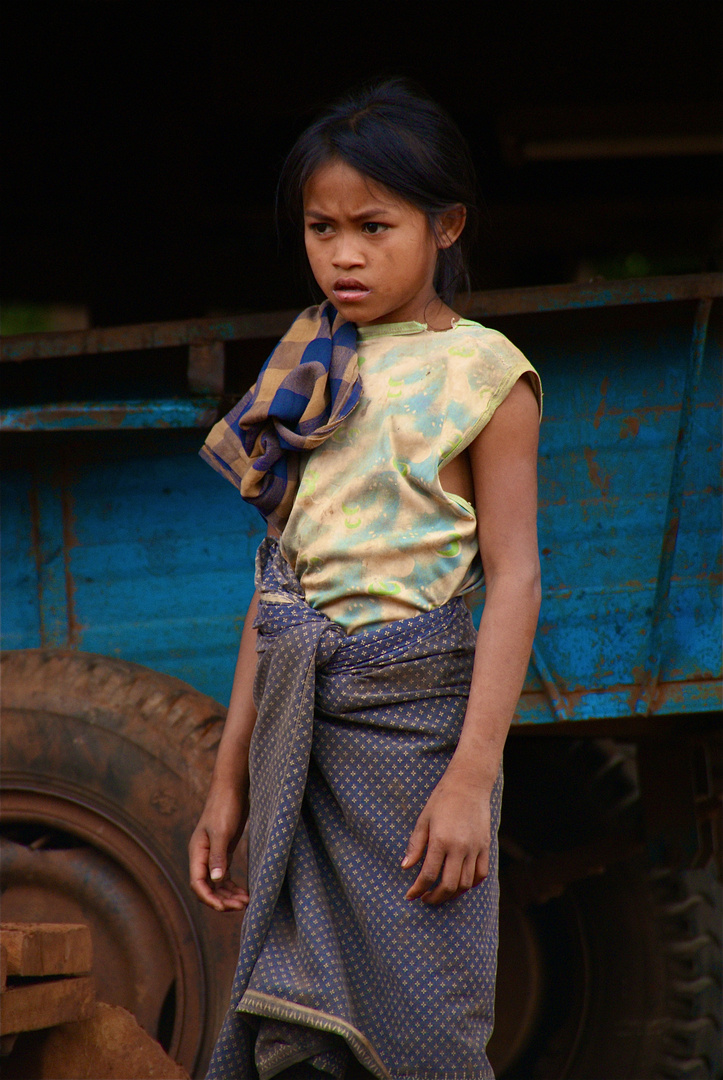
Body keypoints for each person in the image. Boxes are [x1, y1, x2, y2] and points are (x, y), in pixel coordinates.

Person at [189, 78, 542, 1080]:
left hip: (417, 734)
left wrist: (471, 779)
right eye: (321, 227)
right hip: (299, 732)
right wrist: (230, 778)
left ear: (446, 226)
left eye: (375, 226)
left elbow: (514, 580)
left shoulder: (486, 376)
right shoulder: (308, 363)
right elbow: (278, 588)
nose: (344, 254)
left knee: (428, 1021)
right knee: (295, 1034)